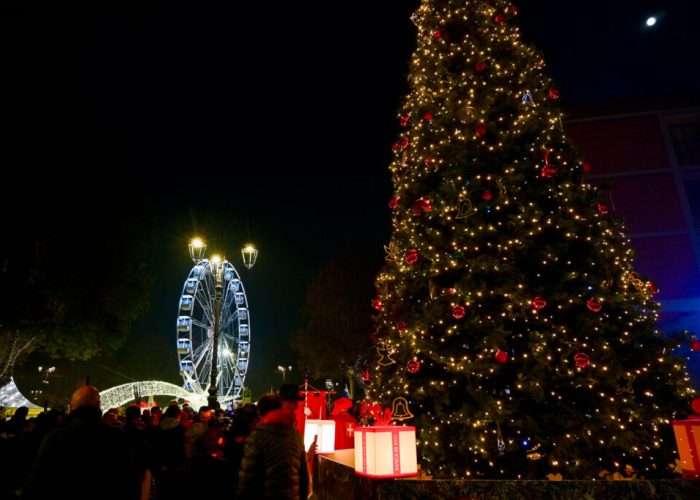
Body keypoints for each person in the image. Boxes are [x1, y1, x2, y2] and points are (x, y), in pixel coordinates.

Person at [21, 385, 139, 500]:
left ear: (71, 407)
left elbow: (35, 483)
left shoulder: (55, 437)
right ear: (98, 404)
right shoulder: (117, 437)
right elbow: (129, 483)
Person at [236, 393, 309, 500]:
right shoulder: (296, 435)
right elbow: (304, 477)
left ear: (260, 413)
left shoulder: (257, 437)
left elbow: (247, 480)